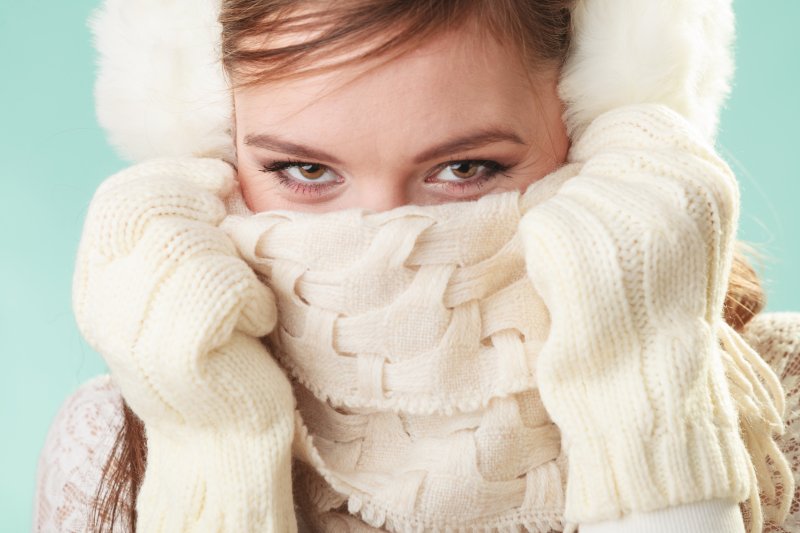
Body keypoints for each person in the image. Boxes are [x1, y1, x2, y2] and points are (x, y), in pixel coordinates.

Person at [32, 0, 800, 532]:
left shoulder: (786, 390)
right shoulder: (113, 438)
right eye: (304, 171)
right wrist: (208, 440)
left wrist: (651, 398)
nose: (383, 237)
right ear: (211, 155)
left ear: (599, 132)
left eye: (465, 168)